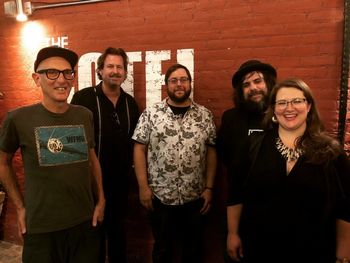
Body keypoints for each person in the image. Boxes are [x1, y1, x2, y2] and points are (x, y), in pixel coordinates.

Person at [226, 78, 350, 263]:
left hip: (314, 251)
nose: (289, 108)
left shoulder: (331, 152)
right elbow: (237, 193)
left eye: (297, 101)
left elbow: (345, 207)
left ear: (308, 106)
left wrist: (344, 253)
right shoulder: (254, 147)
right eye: (282, 102)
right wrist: (233, 233)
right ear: (274, 109)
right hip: (259, 249)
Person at [0, 46, 105, 263]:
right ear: (36, 79)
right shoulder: (18, 119)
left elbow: (92, 159)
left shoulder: (84, 115)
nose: (62, 79)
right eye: (52, 73)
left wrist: (101, 200)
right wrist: (20, 207)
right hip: (41, 228)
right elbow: (3, 162)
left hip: (84, 224)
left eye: (68, 73)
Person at [132, 63, 217, 262]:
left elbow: (212, 151)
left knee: (193, 251)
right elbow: (139, 148)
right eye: (174, 80)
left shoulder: (204, 115)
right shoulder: (151, 113)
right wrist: (143, 187)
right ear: (166, 84)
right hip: (160, 197)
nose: (179, 84)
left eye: (183, 80)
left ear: (189, 83)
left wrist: (209, 188)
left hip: (195, 197)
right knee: (163, 251)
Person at [71, 47, 139, 263]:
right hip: (89, 183)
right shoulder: (83, 98)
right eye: (110, 66)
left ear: (125, 73)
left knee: (118, 234)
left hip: (120, 184)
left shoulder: (130, 104)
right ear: (100, 71)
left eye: (120, 67)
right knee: (93, 237)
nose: (115, 71)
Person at [216, 60, 277, 261]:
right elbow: (228, 164)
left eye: (257, 81)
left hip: (278, 215)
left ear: (268, 83)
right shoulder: (231, 119)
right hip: (241, 213)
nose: (253, 88)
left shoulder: (284, 116)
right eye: (246, 84)